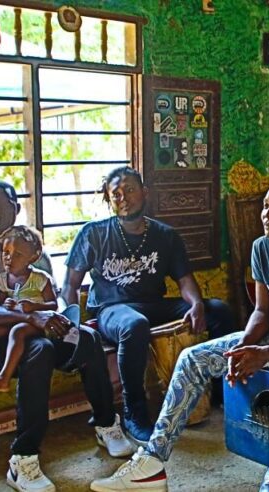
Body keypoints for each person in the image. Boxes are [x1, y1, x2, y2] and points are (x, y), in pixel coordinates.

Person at [90, 178, 269, 492]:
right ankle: (151, 463)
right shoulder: (261, 248)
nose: (267, 214)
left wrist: (265, 354)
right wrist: (242, 347)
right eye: (266, 206)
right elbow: (263, 313)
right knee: (192, 358)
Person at [0, 181, 133, 492]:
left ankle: (106, 424)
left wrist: (56, 317)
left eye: (1, 207)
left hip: (39, 331)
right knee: (40, 351)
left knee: (85, 338)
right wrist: (29, 316)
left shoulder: (32, 248)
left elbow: (51, 297)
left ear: (16, 208)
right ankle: (23, 457)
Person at [61, 166, 234, 444]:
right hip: (111, 310)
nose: (124, 198)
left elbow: (185, 279)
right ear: (109, 199)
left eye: (129, 190)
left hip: (153, 305)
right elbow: (69, 285)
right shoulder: (93, 233)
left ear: (145, 193)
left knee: (219, 311)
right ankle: (134, 412)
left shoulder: (165, 235)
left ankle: (219, 391)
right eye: (115, 194)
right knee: (134, 324)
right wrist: (73, 327)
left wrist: (196, 304)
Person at [0, 226, 58, 393]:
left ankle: (3, 378)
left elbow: (53, 305)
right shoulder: (2, 280)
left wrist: (34, 306)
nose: (9, 258)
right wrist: (6, 304)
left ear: (33, 257)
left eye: (18, 255)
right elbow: (1, 306)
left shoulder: (40, 279)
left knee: (18, 331)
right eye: (6, 252)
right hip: (15, 319)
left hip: (37, 323)